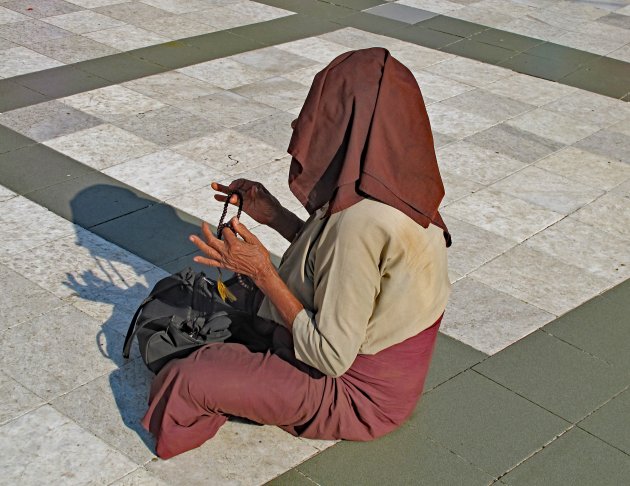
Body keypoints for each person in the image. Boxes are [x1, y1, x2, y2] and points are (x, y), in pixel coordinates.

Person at [142, 47, 452, 459]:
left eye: (325, 110)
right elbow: (343, 266)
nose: (304, 122)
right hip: (381, 370)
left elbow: (330, 355)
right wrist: (274, 215)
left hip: (355, 396)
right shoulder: (401, 184)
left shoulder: (359, 223)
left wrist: (263, 274)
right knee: (230, 305)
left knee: (187, 379)